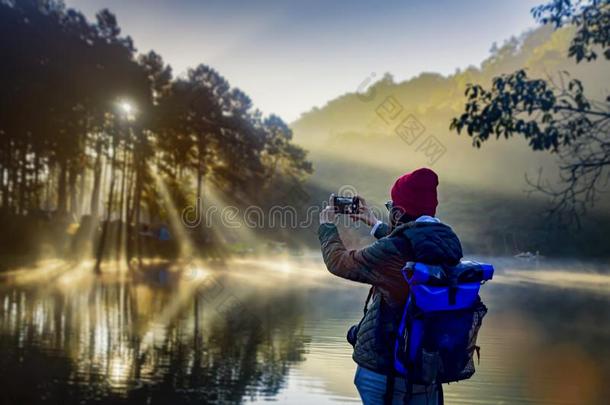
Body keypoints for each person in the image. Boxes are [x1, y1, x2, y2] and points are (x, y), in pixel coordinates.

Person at [318, 168, 463, 405]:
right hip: (426, 370)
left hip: (386, 376)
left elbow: (339, 263)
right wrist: (374, 224)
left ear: (397, 212)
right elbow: (410, 243)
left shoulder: (394, 251)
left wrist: (326, 227)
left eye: (391, 207)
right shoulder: (445, 246)